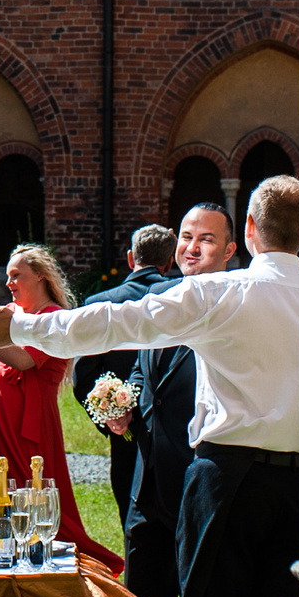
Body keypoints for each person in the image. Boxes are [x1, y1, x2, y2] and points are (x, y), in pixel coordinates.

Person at [0, 174, 299, 597]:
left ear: (251, 229)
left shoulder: (221, 293)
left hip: (227, 481)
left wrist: (21, 327)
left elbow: (115, 322)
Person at [122, 201, 240, 597]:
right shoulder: (158, 297)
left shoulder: (235, 306)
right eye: (187, 237)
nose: (192, 248)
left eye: (207, 240)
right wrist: (125, 402)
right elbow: (142, 372)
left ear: (230, 250)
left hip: (199, 482)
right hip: (146, 482)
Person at [0, 245, 120, 571]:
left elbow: (25, 360)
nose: (9, 282)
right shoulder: (8, 314)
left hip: (28, 428)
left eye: (17, 275)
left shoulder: (52, 317)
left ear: (40, 275)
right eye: (7, 276)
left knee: (31, 496)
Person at [73, 220, 181, 527]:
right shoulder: (178, 300)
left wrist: (111, 417)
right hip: (174, 430)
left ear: (131, 258)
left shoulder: (100, 303)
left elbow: (83, 375)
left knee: (131, 519)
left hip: (125, 428)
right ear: (170, 261)